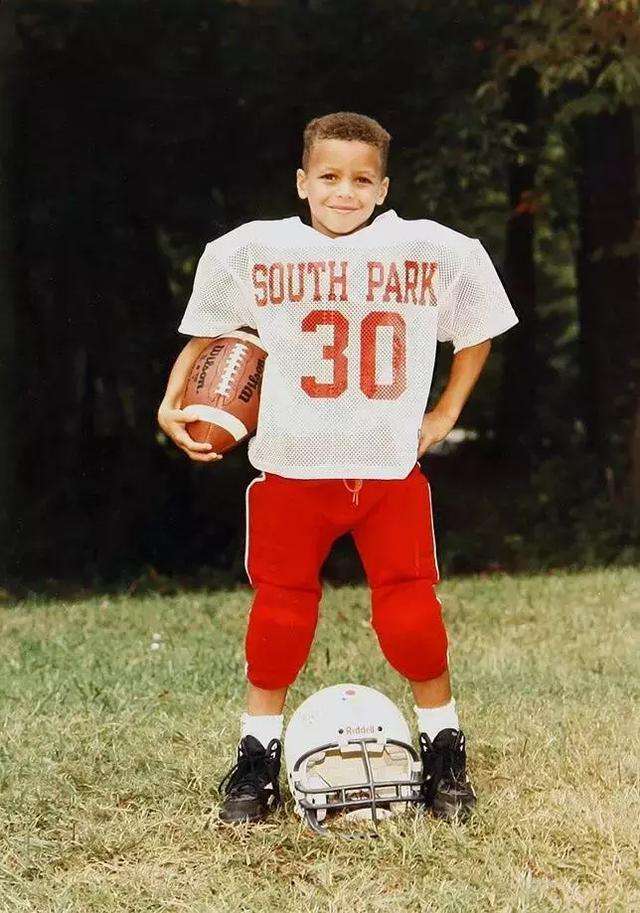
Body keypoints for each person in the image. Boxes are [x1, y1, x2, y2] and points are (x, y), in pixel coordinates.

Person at [157, 111, 518, 825]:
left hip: (386, 470)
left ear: (383, 187)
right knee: (280, 616)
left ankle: (443, 740)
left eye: (360, 179)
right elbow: (210, 337)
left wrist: (446, 411)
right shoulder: (256, 250)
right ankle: (257, 754)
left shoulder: (425, 247)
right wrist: (172, 400)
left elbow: (480, 318)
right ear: (302, 181)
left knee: (413, 617)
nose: (344, 191)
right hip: (293, 470)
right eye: (328, 176)